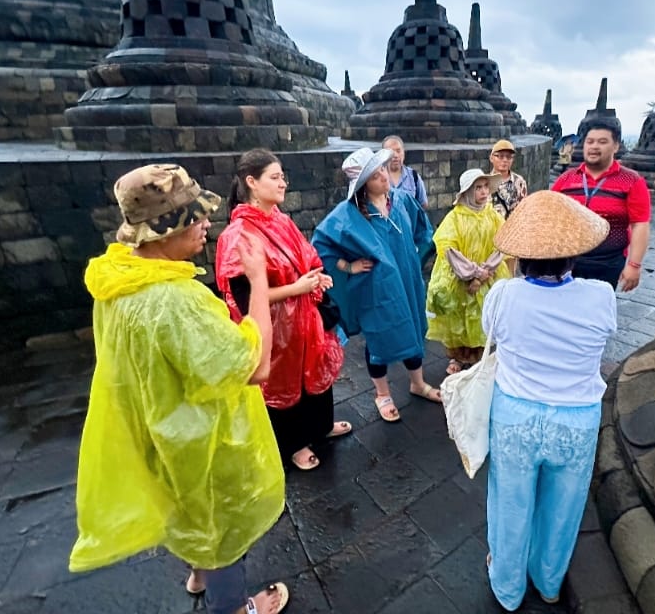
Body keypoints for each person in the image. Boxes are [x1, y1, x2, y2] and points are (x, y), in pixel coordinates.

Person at [70, 163, 290, 614]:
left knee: (182, 507)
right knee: (220, 524)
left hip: (154, 427)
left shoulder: (118, 276)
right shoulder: (176, 301)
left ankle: (197, 571)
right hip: (201, 440)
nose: (206, 222)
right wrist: (258, 282)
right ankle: (233, 606)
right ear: (162, 231)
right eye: (194, 216)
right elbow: (255, 367)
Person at [482, 190, 616, 611]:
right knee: (564, 506)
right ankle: (549, 580)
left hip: (516, 415)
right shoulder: (602, 295)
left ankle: (507, 587)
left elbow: (491, 335)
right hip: (577, 419)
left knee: (510, 502)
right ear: (574, 252)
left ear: (521, 256)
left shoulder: (503, 295)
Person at [215, 149, 351, 473]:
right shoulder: (239, 235)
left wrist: (316, 277)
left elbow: (306, 258)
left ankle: (320, 427)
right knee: (281, 385)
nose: (283, 183)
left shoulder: (280, 220)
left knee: (314, 374)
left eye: (282, 177)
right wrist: (297, 289)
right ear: (252, 182)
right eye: (274, 177)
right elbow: (244, 299)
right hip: (275, 327)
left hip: (305, 319)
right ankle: (294, 444)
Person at [312, 147, 441, 423]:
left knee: (413, 328)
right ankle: (382, 394)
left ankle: (417, 383)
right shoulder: (349, 215)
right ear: (363, 185)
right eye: (374, 175)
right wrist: (349, 267)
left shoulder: (402, 200)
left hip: (407, 282)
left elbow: (424, 231)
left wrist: (415, 258)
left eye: (382, 169)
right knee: (379, 336)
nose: (383, 176)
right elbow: (321, 245)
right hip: (375, 288)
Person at [425, 167, 510, 375]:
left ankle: (478, 357)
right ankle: (457, 357)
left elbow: (502, 244)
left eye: (485, 187)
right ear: (467, 192)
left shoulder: (493, 216)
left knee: (481, 318)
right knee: (458, 318)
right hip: (460, 279)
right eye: (478, 187)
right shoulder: (455, 218)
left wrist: (483, 274)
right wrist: (472, 273)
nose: (483, 192)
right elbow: (449, 249)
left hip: (488, 277)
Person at [551, 118, 650, 290]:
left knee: (599, 305)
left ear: (615, 146)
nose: (594, 146)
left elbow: (640, 224)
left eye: (602, 142)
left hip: (608, 262)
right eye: (590, 142)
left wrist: (634, 265)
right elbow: (548, 215)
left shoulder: (631, 180)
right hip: (566, 261)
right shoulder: (566, 179)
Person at [382, 134, 428, 208]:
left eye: (398, 151)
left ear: (403, 152)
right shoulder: (379, 177)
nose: (395, 155)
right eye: (391, 152)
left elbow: (423, 204)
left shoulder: (414, 176)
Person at [488, 139, 528, 219]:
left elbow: (524, 209)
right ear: (491, 158)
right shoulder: (485, 182)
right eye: (500, 156)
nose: (505, 160)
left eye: (509, 157)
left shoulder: (519, 182)